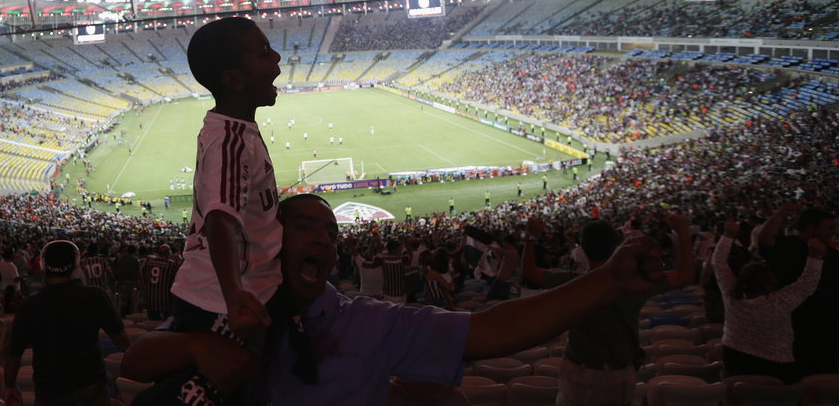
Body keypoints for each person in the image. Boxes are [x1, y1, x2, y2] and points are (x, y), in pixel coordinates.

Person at [123, 194, 668, 405]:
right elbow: (137, 360)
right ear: (270, 241)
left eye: (331, 233)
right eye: (305, 227)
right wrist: (199, 347)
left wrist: (606, 282)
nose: (322, 239)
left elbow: (491, 330)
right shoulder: (231, 307)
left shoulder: (367, 322)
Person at [169, 18, 283, 363]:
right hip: (223, 308)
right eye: (264, 53)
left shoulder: (232, 129)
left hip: (227, 300)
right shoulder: (230, 141)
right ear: (233, 79)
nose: (277, 58)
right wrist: (234, 295)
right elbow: (221, 219)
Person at [521, 214, 694, 406]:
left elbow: (529, 273)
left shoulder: (573, 282)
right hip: (619, 374)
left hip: (579, 372)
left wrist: (531, 236)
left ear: (583, 248)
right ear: (616, 247)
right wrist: (683, 233)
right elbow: (685, 275)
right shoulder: (635, 283)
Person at [4, 240, 130, 406]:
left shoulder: (29, 305)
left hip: (48, 389)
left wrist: (10, 386)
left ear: (43, 266)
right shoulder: (96, 297)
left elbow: (14, 354)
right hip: (90, 384)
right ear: (76, 265)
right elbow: (123, 342)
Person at [714, 220, 823, 383]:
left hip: (734, 354)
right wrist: (816, 257)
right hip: (775, 363)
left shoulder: (731, 294)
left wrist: (727, 235)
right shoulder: (779, 303)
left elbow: (718, 263)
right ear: (769, 285)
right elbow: (807, 283)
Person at [757, 204, 838, 377]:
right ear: (810, 228)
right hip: (792, 326)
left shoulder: (833, 254)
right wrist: (780, 213)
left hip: (826, 328)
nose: (833, 232)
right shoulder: (788, 247)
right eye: (829, 228)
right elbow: (764, 240)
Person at [140, 245, 180, 321]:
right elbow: (178, 279)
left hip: (151, 299)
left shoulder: (149, 262)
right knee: (166, 323)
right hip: (165, 300)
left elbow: (142, 275)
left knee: (152, 322)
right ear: (168, 253)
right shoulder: (171, 264)